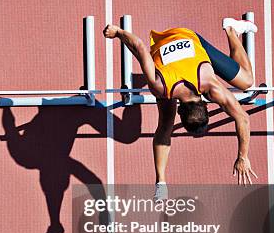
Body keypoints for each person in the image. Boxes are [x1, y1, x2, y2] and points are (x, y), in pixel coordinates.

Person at [103, 17, 258, 195]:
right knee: (165, 124)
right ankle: (160, 180)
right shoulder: (159, 86)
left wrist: (243, 156)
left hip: (188, 38)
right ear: (180, 111)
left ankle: (231, 29)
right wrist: (117, 33)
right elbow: (139, 47)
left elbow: (243, 118)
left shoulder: (211, 86)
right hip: (177, 45)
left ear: (205, 104)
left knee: (247, 81)